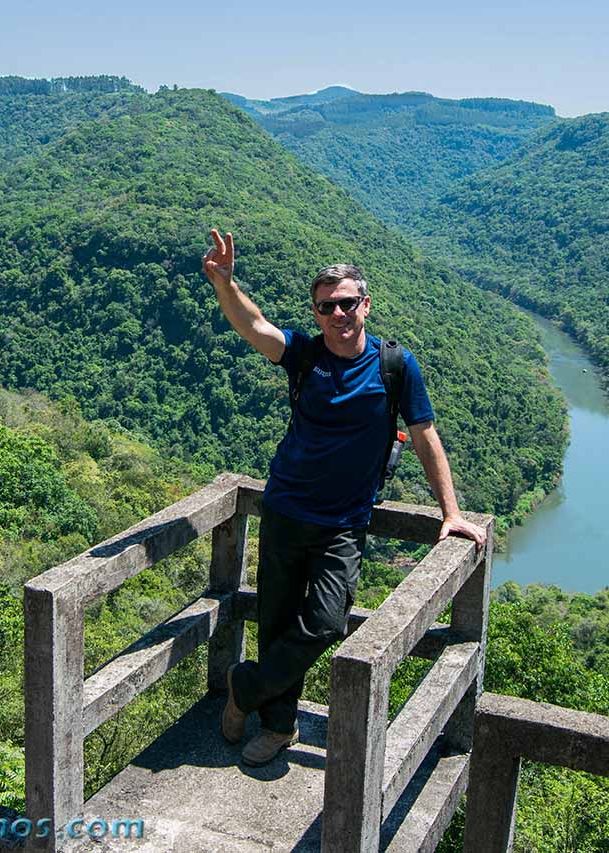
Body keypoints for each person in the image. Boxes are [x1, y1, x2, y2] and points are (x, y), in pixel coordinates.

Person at [201, 228, 486, 767]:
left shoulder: (394, 366)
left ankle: (247, 686)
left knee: (329, 621)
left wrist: (451, 512)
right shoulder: (305, 354)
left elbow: (424, 434)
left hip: (343, 523)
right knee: (279, 623)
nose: (339, 313)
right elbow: (254, 326)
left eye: (347, 303)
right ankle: (277, 727)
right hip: (285, 510)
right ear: (316, 312)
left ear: (365, 305)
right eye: (327, 306)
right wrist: (224, 283)